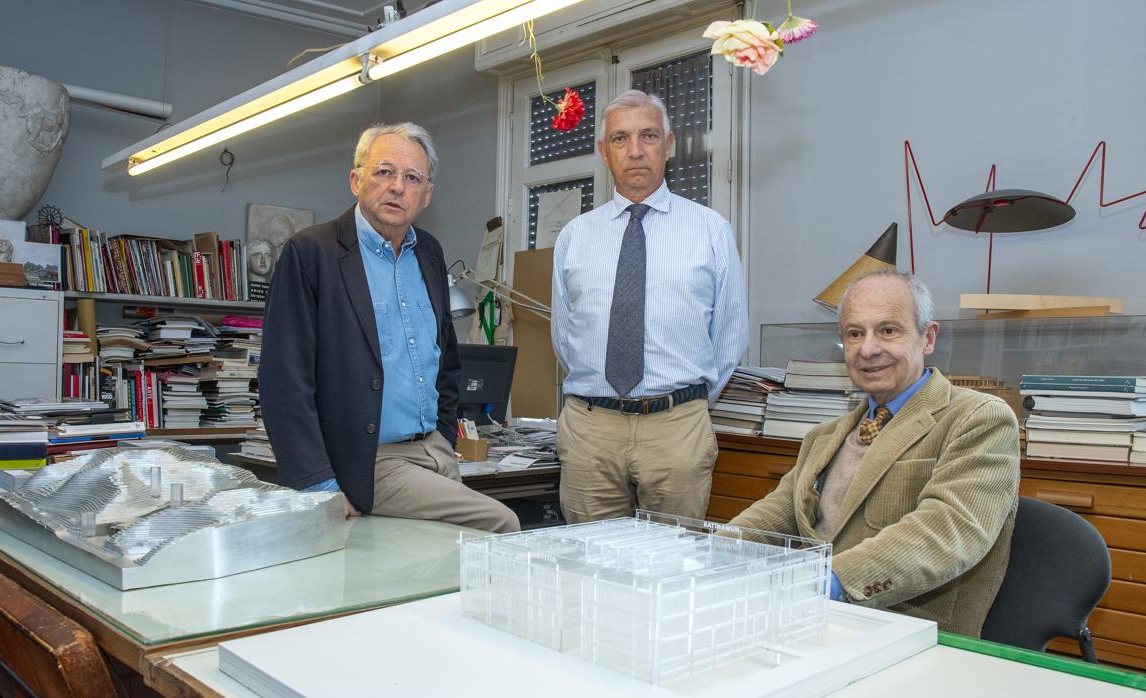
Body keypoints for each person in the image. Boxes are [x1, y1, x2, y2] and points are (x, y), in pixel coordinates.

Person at [259, 122, 520, 533]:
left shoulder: (429, 253)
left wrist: (445, 437)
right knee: (499, 524)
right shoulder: (312, 253)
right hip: (369, 460)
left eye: (411, 177)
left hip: (435, 452)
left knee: (436, 582)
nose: (397, 186)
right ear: (355, 179)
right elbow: (283, 381)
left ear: (426, 194)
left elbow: (446, 362)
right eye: (384, 171)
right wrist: (318, 484)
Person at [729, 271, 1020, 637]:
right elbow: (777, 513)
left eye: (888, 330)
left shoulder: (979, 419)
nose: (868, 349)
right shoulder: (824, 436)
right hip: (811, 623)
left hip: (911, 636)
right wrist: (704, 555)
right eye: (855, 334)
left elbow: (946, 530)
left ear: (927, 337)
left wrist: (819, 584)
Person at [551, 90, 749, 523]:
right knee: (588, 567)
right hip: (591, 428)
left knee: (675, 568)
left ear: (669, 144)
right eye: (620, 139)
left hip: (676, 426)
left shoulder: (710, 230)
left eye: (648, 135)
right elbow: (565, 337)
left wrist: (685, 403)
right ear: (603, 152)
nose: (635, 150)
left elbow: (730, 334)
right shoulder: (575, 236)